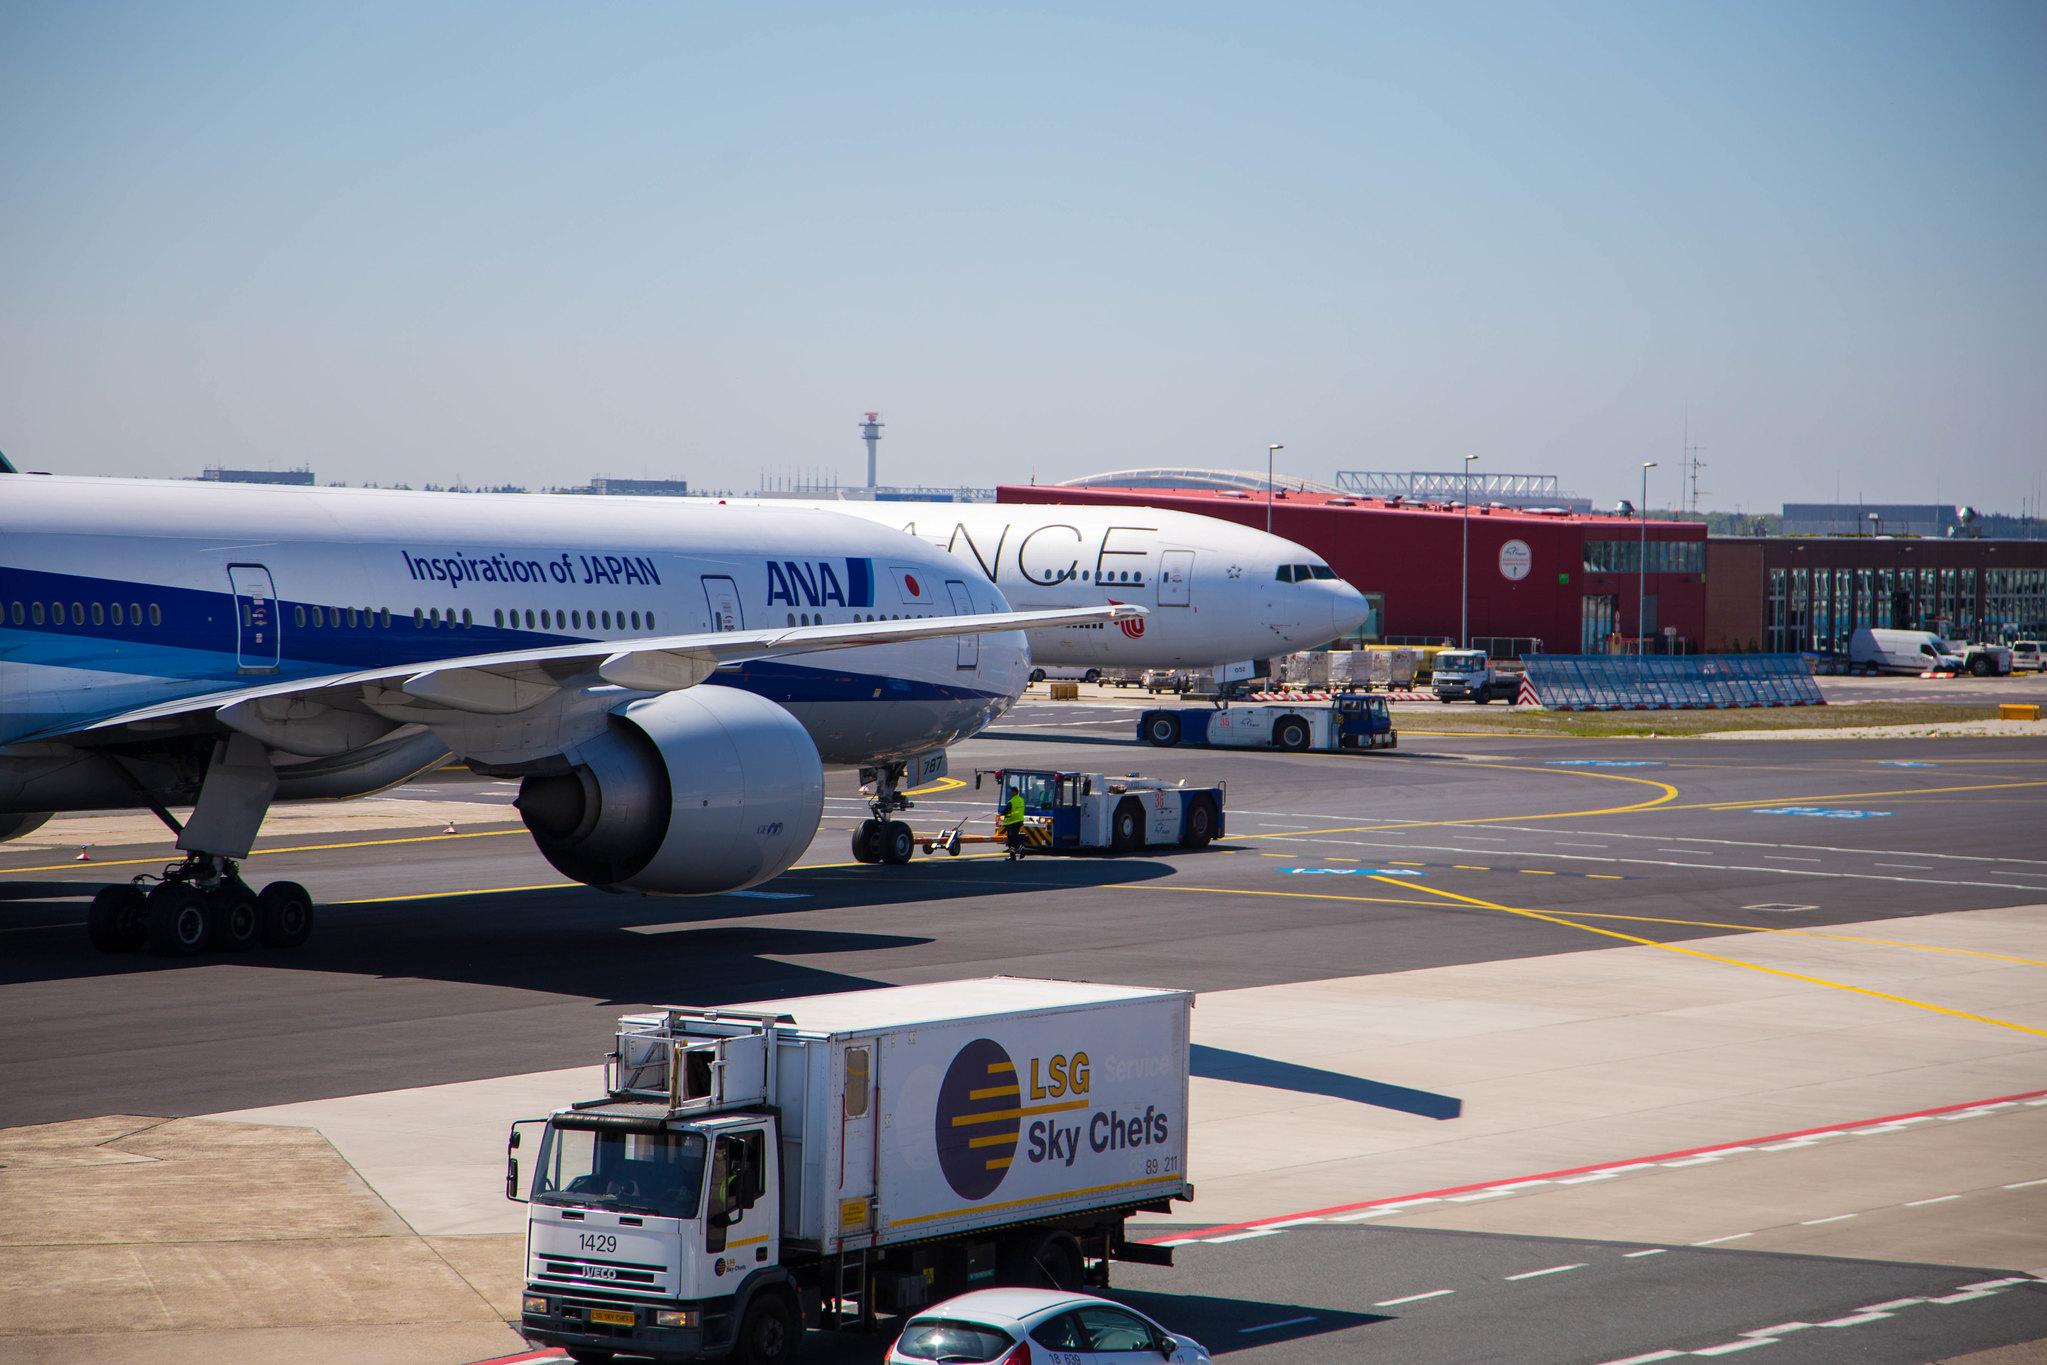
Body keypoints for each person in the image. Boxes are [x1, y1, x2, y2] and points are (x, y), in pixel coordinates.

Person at [1000, 790, 1028, 861]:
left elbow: (1005, 811)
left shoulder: (1011, 802)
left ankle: (1020, 849)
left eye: (1011, 792)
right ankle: (1013, 855)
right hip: (1019, 821)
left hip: (1011, 822)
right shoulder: (1021, 800)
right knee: (1014, 838)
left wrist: (1002, 813)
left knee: (1011, 839)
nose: (1010, 793)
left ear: (1015, 792)